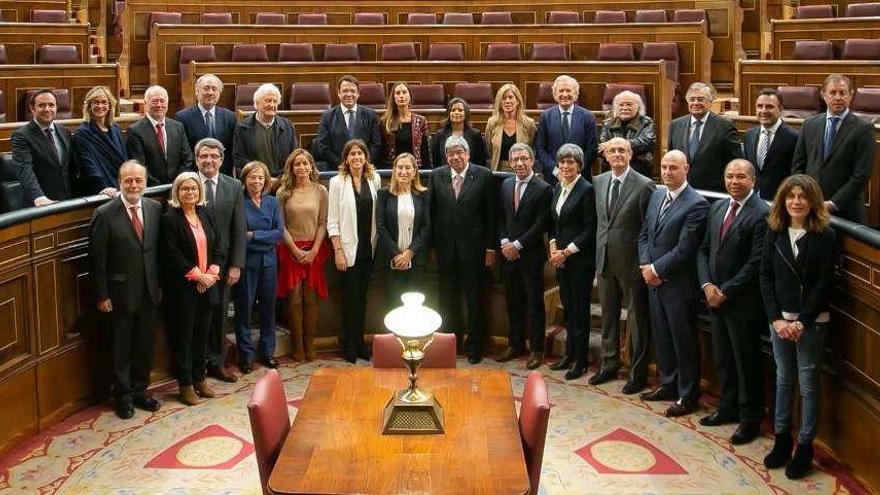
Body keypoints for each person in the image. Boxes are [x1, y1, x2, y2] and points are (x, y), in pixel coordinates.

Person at [760, 174, 836, 480]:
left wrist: (802, 320)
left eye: (802, 197)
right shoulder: (775, 229)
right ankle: (782, 439)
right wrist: (777, 318)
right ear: (783, 200)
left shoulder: (824, 234)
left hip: (811, 323)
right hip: (780, 321)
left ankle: (804, 446)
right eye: (790, 196)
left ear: (812, 201)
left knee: (808, 384)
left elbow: (823, 283)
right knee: (783, 380)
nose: (796, 201)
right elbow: (765, 276)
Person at [697, 159, 769, 445]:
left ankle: (750, 419)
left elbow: (756, 263)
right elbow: (703, 250)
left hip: (742, 302)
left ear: (753, 180)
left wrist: (725, 291)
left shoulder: (761, 213)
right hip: (714, 298)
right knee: (723, 357)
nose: (734, 181)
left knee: (746, 362)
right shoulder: (717, 207)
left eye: (740, 177)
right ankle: (726, 408)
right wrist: (707, 286)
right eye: (729, 176)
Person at [637, 150, 709, 417]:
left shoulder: (697, 204)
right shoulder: (656, 195)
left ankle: (688, 395)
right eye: (665, 167)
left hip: (679, 285)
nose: (667, 172)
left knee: (683, 341)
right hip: (654, 281)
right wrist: (646, 266)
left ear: (686, 169)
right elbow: (644, 234)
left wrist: (656, 268)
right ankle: (668, 384)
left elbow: (685, 249)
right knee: (663, 337)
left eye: (673, 168)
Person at [88, 160, 162, 419]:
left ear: (145, 182)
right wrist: (102, 295)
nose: (133, 185)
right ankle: (123, 396)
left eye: (138, 180)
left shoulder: (154, 208)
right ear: (119, 182)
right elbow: (96, 260)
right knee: (120, 348)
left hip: (150, 292)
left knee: (145, 345)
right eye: (128, 180)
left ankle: (141, 391)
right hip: (119, 295)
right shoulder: (105, 213)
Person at [591, 138, 655, 394]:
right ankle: (608, 364)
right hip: (604, 259)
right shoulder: (599, 181)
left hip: (631, 263)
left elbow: (647, 228)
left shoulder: (644, 185)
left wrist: (645, 261)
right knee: (608, 317)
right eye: (612, 150)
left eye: (622, 150)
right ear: (605, 155)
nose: (617, 154)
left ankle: (637, 373)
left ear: (630, 154)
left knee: (637, 320)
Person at [429, 135, 496, 363]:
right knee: (447, 298)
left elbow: (491, 215)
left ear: (468, 154)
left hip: (475, 250)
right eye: (451, 153)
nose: (455, 157)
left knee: (474, 298)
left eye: (460, 152)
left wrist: (490, 249)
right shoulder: (437, 176)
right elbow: (432, 213)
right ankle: (451, 343)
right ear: (446, 156)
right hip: (445, 249)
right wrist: (431, 247)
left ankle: (475, 346)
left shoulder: (484, 175)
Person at [160, 172, 225, 406]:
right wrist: (199, 276)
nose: (190, 192)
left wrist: (212, 274)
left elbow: (218, 244)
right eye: (185, 189)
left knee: (201, 336)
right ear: (177, 192)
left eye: (194, 189)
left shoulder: (206, 213)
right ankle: (185, 385)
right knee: (183, 338)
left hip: (207, 286)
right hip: (184, 290)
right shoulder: (170, 218)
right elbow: (172, 255)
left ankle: (200, 379)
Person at [193, 138, 246, 383]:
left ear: (222, 160)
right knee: (195, 317)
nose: (209, 160)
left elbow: (238, 227)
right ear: (196, 159)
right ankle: (196, 365)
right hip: (194, 266)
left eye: (214, 156)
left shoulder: (233, 185)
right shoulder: (188, 185)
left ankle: (217, 362)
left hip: (224, 266)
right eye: (204, 156)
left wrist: (236, 264)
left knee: (220, 315)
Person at [495, 143, 551, 369]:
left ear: (532, 160)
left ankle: (537, 349)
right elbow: (500, 218)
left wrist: (518, 244)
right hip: (508, 256)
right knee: (512, 301)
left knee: (534, 304)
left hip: (530, 256)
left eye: (524, 159)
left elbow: (542, 223)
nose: (519, 163)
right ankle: (515, 343)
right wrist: (504, 242)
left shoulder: (544, 188)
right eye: (515, 159)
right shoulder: (506, 185)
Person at [791, 74, 875, 223]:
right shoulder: (809, 124)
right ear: (824, 95)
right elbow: (798, 166)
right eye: (833, 92)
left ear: (851, 95)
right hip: (811, 208)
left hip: (847, 212)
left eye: (843, 93)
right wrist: (805, 197)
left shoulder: (864, 129)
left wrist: (832, 204)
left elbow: (861, 176)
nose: (838, 97)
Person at [545, 144, 597, 380]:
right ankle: (569, 355)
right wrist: (554, 247)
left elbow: (589, 229)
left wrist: (566, 252)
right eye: (562, 162)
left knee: (580, 311)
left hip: (579, 260)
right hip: (561, 259)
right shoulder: (558, 187)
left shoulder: (586, 190)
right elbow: (554, 223)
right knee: (568, 309)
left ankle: (581, 361)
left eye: (571, 163)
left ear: (580, 166)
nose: (565, 167)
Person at [327, 139, 381, 364]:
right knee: (350, 299)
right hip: (347, 250)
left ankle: (360, 342)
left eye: (360, 153)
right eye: (352, 154)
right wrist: (338, 250)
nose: (357, 158)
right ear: (346, 159)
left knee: (363, 299)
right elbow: (332, 220)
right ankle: (349, 344)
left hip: (369, 248)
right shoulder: (337, 182)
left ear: (366, 157)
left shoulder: (374, 178)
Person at [276, 149, 330, 362]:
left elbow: (323, 223)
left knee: (310, 298)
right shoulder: (283, 192)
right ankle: (297, 345)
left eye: (305, 163)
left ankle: (310, 344)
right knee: (295, 298)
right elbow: (280, 226)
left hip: (315, 248)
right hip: (291, 249)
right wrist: (296, 251)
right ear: (291, 168)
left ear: (311, 166)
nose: (301, 167)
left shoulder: (320, 191)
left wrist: (315, 249)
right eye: (297, 164)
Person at [233, 161, 283, 373]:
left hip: (269, 263)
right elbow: (239, 236)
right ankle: (246, 356)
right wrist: (265, 237)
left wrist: (254, 235)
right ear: (245, 179)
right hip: (246, 263)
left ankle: (267, 352)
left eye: (261, 177)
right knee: (244, 309)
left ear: (266, 180)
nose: (257, 181)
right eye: (252, 177)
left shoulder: (272, 202)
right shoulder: (239, 202)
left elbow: (278, 233)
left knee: (268, 309)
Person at [376, 153, 431, 307]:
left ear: (414, 172)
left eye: (408, 167)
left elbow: (426, 227)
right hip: (391, 259)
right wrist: (398, 254)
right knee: (393, 304)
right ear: (394, 170)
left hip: (415, 259)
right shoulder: (384, 194)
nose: (404, 171)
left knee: (414, 306)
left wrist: (409, 253)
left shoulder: (423, 194)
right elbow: (381, 226)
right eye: (400, 167)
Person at [667, 82, 742, 193]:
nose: (696, 103)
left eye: (701, 99)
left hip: (713, 193)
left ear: (711, 102)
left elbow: (734, 162)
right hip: (682, 190)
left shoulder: (725, 127)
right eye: (692, 99)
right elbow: (671, 157)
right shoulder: (676, 125)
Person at [13, 89, 78, 206]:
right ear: (32, 108)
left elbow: (73, 168)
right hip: (40, 204)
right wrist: (38, 197)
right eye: (42, 105)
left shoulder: (65, 132)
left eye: (51, 105)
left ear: (57, 107)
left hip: (68, 201)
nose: (47, 109)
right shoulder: (21, 136)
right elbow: (25, 170)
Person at [534, 75, 597, 185]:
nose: (565, 94)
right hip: (554, 179)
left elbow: (592, 149)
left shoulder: (587, 116)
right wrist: (557, 171)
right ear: (555, 94)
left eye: (568, 90)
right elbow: (540, 149)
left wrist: (575, 170)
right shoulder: (546, 116)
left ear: (576, 94)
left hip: (580, 178)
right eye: (561, 91)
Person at [312, 75, 383, 171]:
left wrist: (363, 163)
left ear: (358, 93)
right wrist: (342, 165)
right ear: (338, 93)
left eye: (353, 91)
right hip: (337, 170)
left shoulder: (370, 115)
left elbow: (376, 144)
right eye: (345, 91)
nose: (349, 94)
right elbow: (323, 146)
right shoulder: (327, 117)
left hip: (364, 169)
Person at [127, 85, 193, 186]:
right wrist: (159, 187)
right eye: (154, 101)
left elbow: (187, 158)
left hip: (177, 187)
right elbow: (140, 165)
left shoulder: (178, 127)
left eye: (162, 101)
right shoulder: (135, 131)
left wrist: (177, 182)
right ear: (145, 103)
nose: (159, 105)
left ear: (167, 102)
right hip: (151, 190)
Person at [174, 74, 237, 176]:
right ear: (197, 92)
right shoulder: (182, 117)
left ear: (219, 93)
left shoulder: (229, 117)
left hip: (223, 176)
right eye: (206, 88)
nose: (210, 92)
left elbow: (232, 150)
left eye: (214, 89)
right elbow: (183, 153)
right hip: (195, 176)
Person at [743, 88, 798, 201]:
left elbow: (796, 174)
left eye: (769, 106)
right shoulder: (749, 135)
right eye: (759, 106)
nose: (763, 111)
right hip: (753, 200)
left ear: (781, 109)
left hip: (780, 201)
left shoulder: (794, 137)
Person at [233, 83, 298, 177]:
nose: (272, 105)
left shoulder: (287, 126)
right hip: (256, 182)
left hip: (282, 181)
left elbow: (294, 156)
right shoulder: (243, 128)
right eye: (268, 101)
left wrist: (280, 179)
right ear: (257, 103)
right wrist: (261, 177)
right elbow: (239, 159)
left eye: (275, 101)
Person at [75, 86, 127, 197]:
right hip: (100, 189)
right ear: (89, 106)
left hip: (121, 185)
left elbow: (123, 158)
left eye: (104, 102)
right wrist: (102, 187)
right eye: (96, 102)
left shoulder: (116, 128)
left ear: (109, 106)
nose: (100, 106)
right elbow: (88, 163)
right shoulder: (83, 132)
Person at [598, 90, 656, 178]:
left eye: (629, 104)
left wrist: (616, 145)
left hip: (638, 166)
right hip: (612, 166)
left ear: (638, 106)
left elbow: (647, 141)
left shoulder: (646, 122)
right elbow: (601, 147)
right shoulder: (608, 123)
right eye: (621, 105)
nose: (625, 108)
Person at [484, 83, 536, 172]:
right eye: (503, 98)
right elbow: (489, 149)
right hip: (498, 170)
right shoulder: (492, 123)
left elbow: (531, 148)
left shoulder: (529, 124)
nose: (507, 101)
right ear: (499, 102)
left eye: (510, 97)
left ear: (518, 101)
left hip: (521, 170)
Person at [379, 82, 431, 169]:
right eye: (398, 93)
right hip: (392, 170)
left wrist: (428, 173)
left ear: (410, 96)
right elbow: (381, 151)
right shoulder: (385, 122)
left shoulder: (420, 121)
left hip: (416, 169)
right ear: (393, 98)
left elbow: (425, 151)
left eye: (404, 92)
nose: (401, 96)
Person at [430, 98, 487, 168]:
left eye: (460, 110)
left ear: (466, 113)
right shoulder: (440, 134)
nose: (456, 113)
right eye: (453, 110)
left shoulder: (475, 134)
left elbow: (480, 161)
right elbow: (436, 160)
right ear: (449, 114)